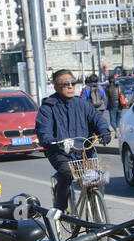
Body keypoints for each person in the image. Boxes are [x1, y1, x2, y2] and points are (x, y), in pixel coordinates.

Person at [35, 68, 112, 212]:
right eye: (66, 84)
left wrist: (104, 131)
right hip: (60, 152)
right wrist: (51, 141)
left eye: (73, 83)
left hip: (84, 151)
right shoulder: (48, 107)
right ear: (56, 86)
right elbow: (43, 130)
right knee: (66, 172)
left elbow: (97, 118)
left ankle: (98, 213)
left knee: (98, 178)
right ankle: (60, 206)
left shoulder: (82, 103)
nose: (70, 86)